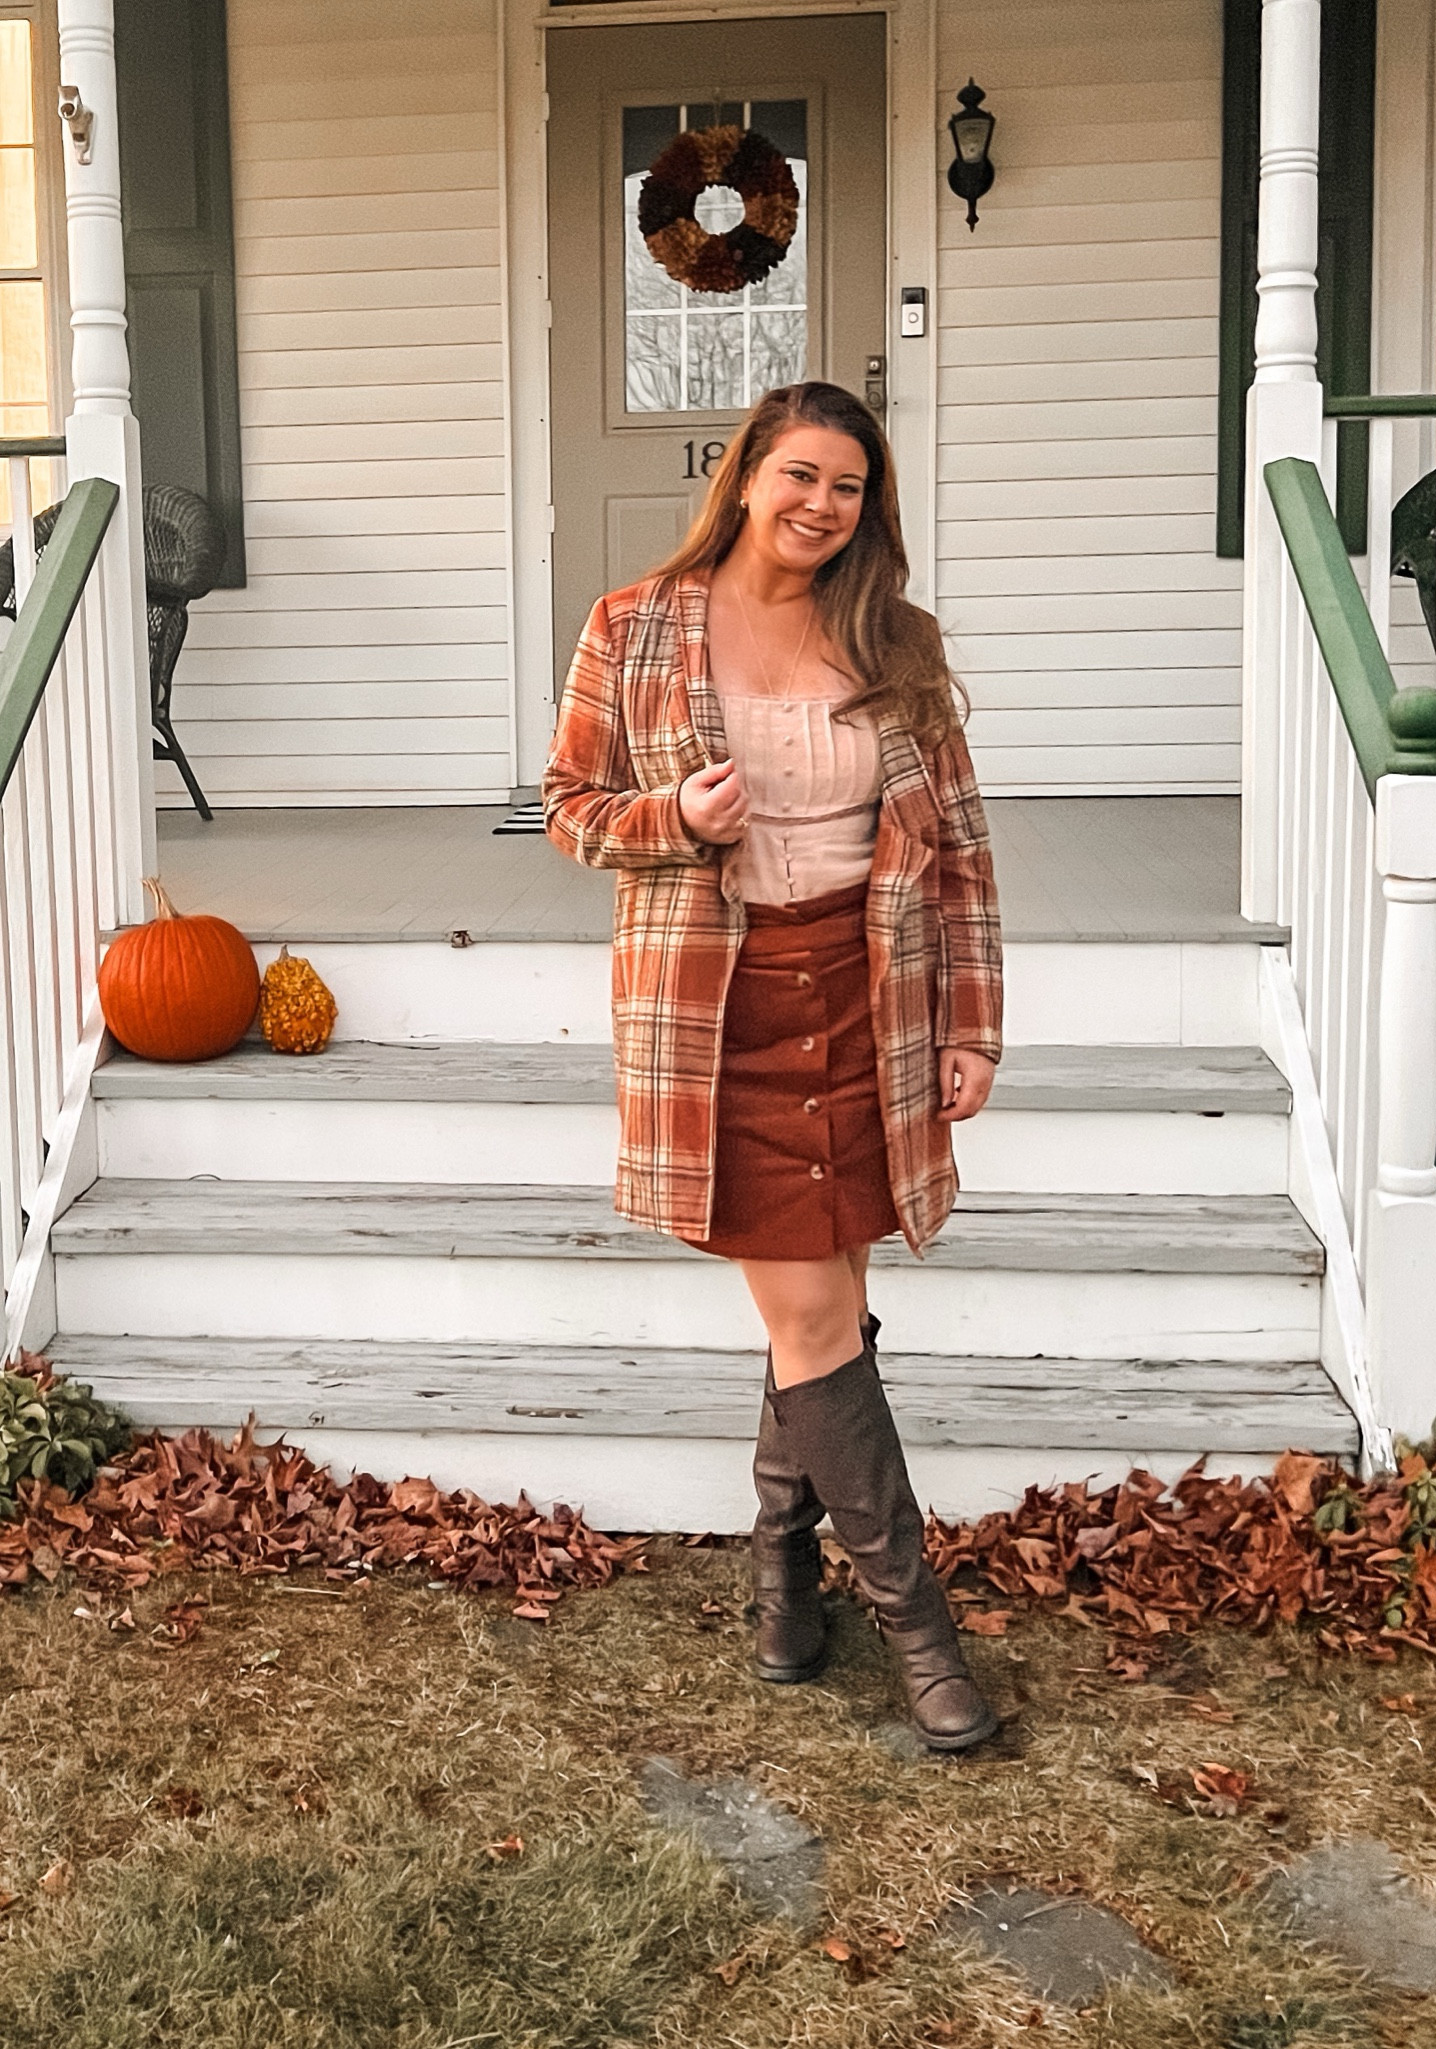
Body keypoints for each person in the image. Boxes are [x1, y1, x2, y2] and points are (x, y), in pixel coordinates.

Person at [543, 380, 1003, 1750]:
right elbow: (567, 808)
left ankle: (785, 1572)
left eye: (848, 487)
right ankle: (919, 1629)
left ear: (871, 509)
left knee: (832, 1302)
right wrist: (672, 815)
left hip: (870, 1001)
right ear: (746, 475)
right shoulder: (634, 626)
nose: (820, 505)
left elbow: (962, 850)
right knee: (815, 1314)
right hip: (721, 1013)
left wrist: (972, 1022)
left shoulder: (893, 639)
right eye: (799, 474)